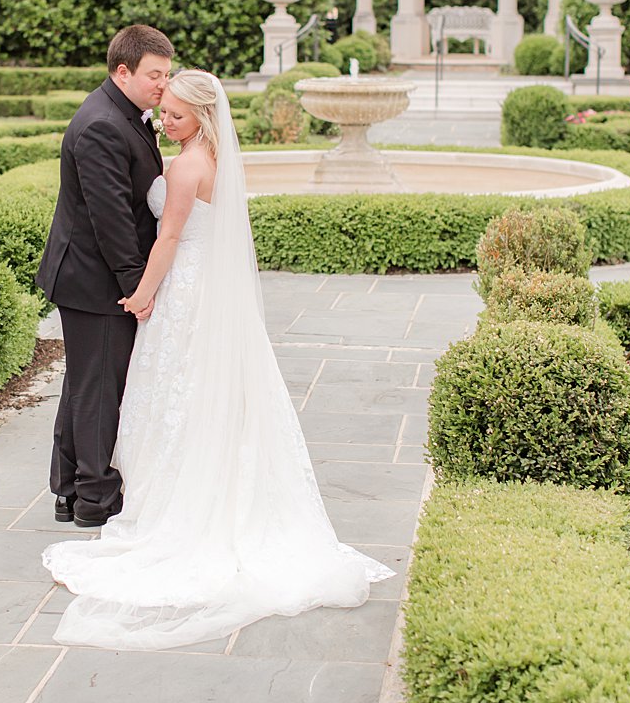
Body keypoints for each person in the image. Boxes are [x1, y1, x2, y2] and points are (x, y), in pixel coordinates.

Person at [43, 69, 393, 650]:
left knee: (170, 392)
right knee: (200, 391)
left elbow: (170, 240)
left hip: (182, 288)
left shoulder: (184, 165)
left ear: (202, 116)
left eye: (175, 113)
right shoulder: (219, 159)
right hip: (211, 291)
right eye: (163, 110)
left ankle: (176, 500)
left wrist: (142, 293)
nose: (163, 119)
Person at [35, 24, 175, 529]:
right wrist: (138, 288)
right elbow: (111, 218)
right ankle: (94, 497)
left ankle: (69, 488)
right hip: (94, 280)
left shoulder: (125, 114)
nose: (164, 84)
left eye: (167, 74)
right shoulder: (100, 125)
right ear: (123, 71)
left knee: (85, 382)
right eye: (155, 75)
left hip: (93, 276)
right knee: (98, 388)